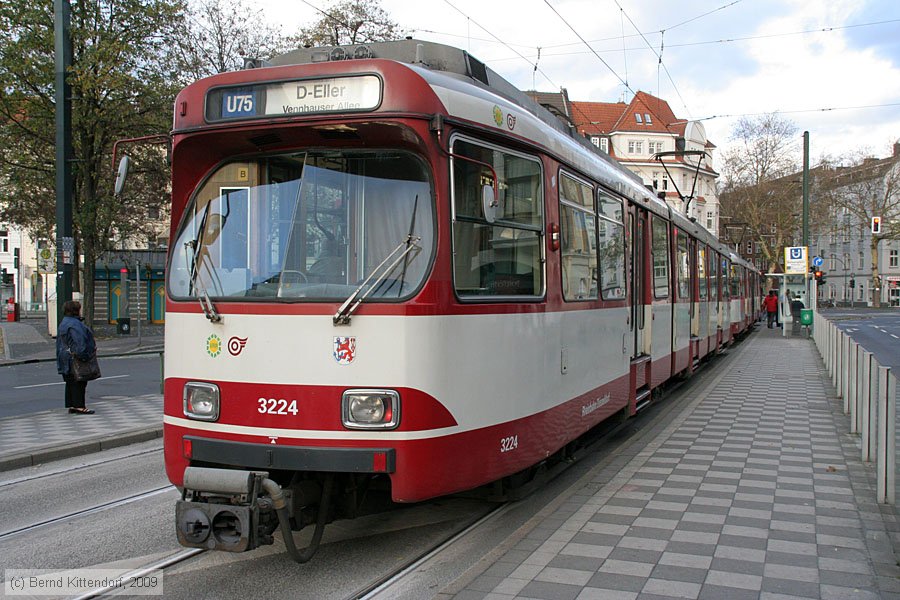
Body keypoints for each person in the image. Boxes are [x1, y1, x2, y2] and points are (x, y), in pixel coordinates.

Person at [56, 300, 97, 414]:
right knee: (79, 380)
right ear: (76, 311)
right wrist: (84, 355)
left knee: (70, 381)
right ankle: (79, 406)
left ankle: (72, 404)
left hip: (64, 355)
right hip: (75, 357)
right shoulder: (75, 324)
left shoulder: (64, 322)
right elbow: (80, 342)